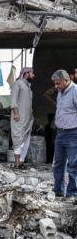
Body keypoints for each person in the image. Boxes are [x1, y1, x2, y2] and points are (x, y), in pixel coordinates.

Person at [51, 69, 77, 198]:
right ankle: (58, 190)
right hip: (60, 133)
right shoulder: (61, 92)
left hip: (73, 133)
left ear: (66, 81)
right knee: (58, 163)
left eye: (58, 84)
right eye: (55, 84)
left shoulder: (75, 91)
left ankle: (72, 193)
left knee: (73, 164)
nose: (56, 87)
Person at [10, 68, 35, 169]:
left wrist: (31, 113)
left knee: (26, 139)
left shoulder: (28, 86)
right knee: (18, 138)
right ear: (26, 74)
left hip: (27, 117)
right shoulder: (18, 84)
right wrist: (16, 113)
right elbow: (13, 99)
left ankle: (21, 162)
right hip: (19, 117)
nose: (33, 75)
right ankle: (16, 163)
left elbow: (28, 102)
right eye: (32, 73)